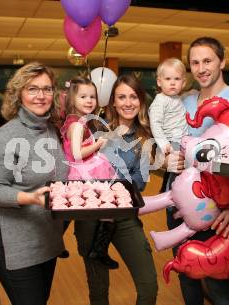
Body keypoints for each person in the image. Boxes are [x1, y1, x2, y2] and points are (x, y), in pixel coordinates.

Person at [165, 37, 229, 305]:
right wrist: (167, 160)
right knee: (186, 272)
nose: (201, 68)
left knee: (217, 282)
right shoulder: (183, 103)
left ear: (222, 61)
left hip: (218, 210)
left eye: (207, 61)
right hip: (179, 203)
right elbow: (167, 149)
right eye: (195, 62)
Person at [0, 62, 69, 305]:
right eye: (32, 89)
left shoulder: (51, 130)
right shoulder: (5, 137)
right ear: (18, 93)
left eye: (47, 89)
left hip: (46, 237)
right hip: (14, 242)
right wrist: (30, 198)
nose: (41, 96)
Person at [74, 74, 158, 305]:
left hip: (124, 217)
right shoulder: (95, 130)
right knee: (98, 291)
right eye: (122, 97)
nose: (128, 102)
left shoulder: (145, 138)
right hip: (91, 217)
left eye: (133, 96)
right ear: (112, 101)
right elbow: (76, 165)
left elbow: (139, 184)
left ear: (141, 101)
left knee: (149, 286)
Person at [60, 76, 118, 269]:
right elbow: (77, 154)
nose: (89, 100)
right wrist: (98, 144)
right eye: (83, 96)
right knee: (108, 206)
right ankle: (98, 250)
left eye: (92, 96)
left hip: (83, 170)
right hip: (83, 172)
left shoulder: (77, 121)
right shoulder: (77, 125)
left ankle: (55, 243)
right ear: (72, 99)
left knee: (69, 210)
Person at [149, 57, 188, 154]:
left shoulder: (178, 98)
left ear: (183, 83)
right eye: (168, 79)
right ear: (159, 82)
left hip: (183, 141)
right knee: (175, 167)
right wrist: (163, 143)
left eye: (177, 79)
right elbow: (155, 124)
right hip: (170, 142)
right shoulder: (160, 101)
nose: (172, 83)